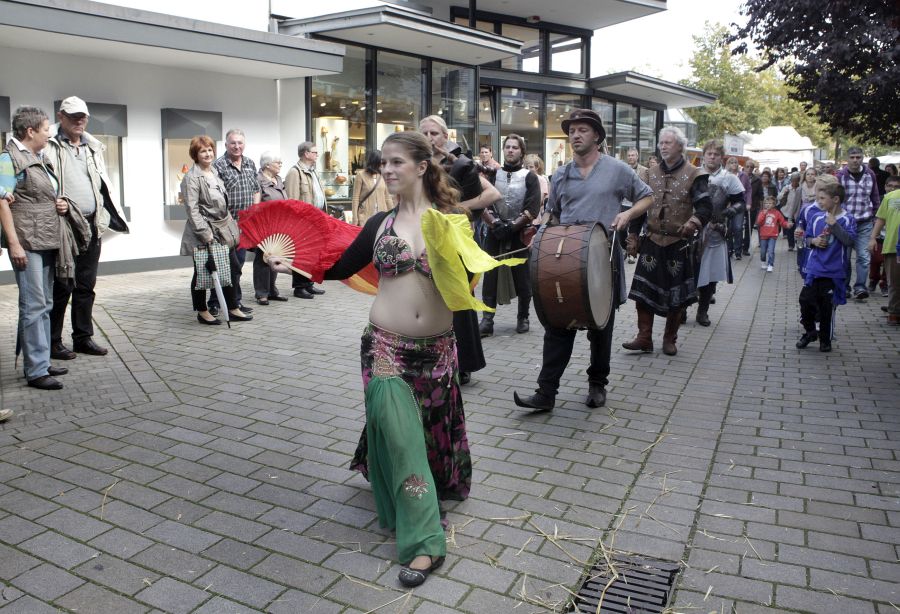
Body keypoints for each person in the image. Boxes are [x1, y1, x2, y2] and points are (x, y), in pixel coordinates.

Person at [315, 131, 472, 587]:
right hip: (384, 348)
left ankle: (421, 488)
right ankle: (425, 541)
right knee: (404, 440)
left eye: (396, 161)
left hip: (438, 350)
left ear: (422, 166)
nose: (386, 169)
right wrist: (298, 267)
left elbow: (468, 280)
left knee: (429, 432)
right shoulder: (379, 225)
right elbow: (341, 267)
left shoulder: (451, 220)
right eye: (383, 162)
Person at [514, 109, 652, 412]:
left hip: (603, 259)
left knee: (601, 328)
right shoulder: (562, 174)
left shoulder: (617, 169)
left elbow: (647, 196)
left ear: (597, 136)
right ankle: (546, 393)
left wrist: (628, 214)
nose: (575, 135)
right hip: (565, 259)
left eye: (582, 130)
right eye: (572, 131)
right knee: (558, 324)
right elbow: (552, 213)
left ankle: (597, 384)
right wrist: (540, 232)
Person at [0, 106, 88, 390]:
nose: (49, 134)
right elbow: (2, 201)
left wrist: (60, 204)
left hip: (47, 238)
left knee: (45, 303)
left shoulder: (39, 157)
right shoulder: (8, 159)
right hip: (27, 241)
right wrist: (14, 244)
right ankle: (36, 370)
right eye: (46, 129)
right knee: (34, 305)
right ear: (30, 131)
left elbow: (42, 194)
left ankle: (41, 360)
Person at [46, 96, 129, 361]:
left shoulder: (92, 146)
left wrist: (102, 213)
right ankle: (52, 342)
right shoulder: (49, 145)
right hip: (65, 226)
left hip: (92, 225)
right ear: (61, 117)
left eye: (83, 117)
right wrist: (53, 202)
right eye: (73, 116)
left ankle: (82, 338)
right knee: (62, 286)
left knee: (85, 286)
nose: (79, 121)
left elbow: (101, 184)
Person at [419, 114, 500, 385]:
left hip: (454, 240)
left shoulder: (459, 163)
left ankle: (463, 363)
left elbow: (492, 194)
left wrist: (457, 209)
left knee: (459, 300)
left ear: (445, 136)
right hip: (424, 239)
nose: (429, 138)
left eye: (434, 133)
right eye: (424, 133)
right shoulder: (415, 163)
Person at [622, 126, 712, 357]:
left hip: (678, 243)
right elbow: (639, 208)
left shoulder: (695, 174)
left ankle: (669, 339)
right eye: (661, 143)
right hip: (651, 240)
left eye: (668, 143)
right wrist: (633, 235)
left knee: (676, 296)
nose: (663, 146)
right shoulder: (649, 174)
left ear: (680, 146)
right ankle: (644, 337)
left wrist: (693, 222)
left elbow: (705, 207)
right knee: (642, 291)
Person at [179, 135, 252, 326]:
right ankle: (202, 311)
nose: (207, 154)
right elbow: (192, 210)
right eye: (203, 151)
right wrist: (206, 234)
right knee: (203, 272)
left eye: (210, 150)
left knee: (232, 267)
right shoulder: (191, 178)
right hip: (204, 232)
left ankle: (232, 307)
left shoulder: (213, 171)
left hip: (223, 230)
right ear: (195, 154)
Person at [478, 133, 541, 336]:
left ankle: (523, 317)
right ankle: (487, 320)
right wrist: (494, 223)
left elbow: (532, 207)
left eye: (515, 147)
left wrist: (512, 227)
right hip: (494, 233)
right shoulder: (492, 175)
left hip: (519, 234)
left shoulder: (530, 177)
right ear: (503, 150)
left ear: (521, 152)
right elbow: (482, 202)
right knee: (490, 277)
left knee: (523, 278)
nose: (511, 150)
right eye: (508, 147)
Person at [795, 179, 857, 352]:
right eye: (818, 198)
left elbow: (849, 241)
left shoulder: (847, 219)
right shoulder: (816, 217)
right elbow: (806, 238)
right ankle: (810, 332)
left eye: (822, 198)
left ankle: (825, 340)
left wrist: (834, 225)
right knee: (805, 301)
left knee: (826, 307)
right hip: (814, 269)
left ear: (835, 199)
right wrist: (813, 241)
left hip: (833, 272)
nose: (819, 202)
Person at [693, 140, 744, 327]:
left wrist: (729, 212)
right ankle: (681, 309)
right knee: (688, 272)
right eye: (709, 153)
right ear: (704, 155)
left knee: (709, 273)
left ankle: (702, 311)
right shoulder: (694, 174)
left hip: (715, 230)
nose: (712, 157)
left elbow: (740, 202)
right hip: (692, 229)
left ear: (721, 157)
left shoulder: (729, 178)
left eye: (716, 154)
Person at [208, 128, 259, 315]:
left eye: (240, 143)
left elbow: (256, 189)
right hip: (225, 226)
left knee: (238, 266)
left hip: (244, 227)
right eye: (233, 143)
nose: (237, 146)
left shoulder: (250, 163)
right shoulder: (218, 166)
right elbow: (215, 198)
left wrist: (255, 210)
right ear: (226, 145)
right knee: (222, 265)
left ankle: (234, 302)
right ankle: (214, 303)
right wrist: (227, 221)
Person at [836, 146, 881, 300]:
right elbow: (836, 199)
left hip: (865, 222)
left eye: (858, 157)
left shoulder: (870, 174)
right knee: (845, 257)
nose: (855, 160)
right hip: (846, 223)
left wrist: (876, 217)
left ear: (862, 158)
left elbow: (875, 197)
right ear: (847, 159)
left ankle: (860, 287)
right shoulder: (840, 176)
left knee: (863, 256)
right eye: (852, 157)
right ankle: (845, 287)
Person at [285, 141, 327, 299]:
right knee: (301, 254)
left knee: (312, 254)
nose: (317, 154)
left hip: (316, 219)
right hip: (303, 222)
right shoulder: (295, 172)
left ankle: (309, 283)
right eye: (314, 152)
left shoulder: (313, 170)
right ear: (306, 154)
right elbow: (292, 200)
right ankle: (299, 287)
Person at [252, 151, 289, 305]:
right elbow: (255, 204)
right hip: (264, 225)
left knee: (275, 257)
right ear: (267, 165)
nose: (280, 164)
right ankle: (262, 293)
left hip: (279, 225)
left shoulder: (278, 179)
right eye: (277, 162)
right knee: (263, 258)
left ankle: (272, 290)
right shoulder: (258, 180)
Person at [868, 175, 900, 324]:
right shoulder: (890, 197)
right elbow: (881, 218)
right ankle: (894, 312)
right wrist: (873, 238)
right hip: (893, 245)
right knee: (894, 281)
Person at [351, 150, 393, 227]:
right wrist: (355, 218)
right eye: (381, 162)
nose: (382, 165)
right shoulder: (361, 175)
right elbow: (355, 198)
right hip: (365, 216)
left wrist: (393, 215)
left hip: (381, 216)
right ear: (375, 162)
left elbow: (388, 198)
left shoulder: (383, 176)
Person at [756, 196, 792, 272]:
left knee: (771, 251)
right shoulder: (762, 212)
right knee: (763, 251)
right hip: (763, 235)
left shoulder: (777, 213)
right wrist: (764, 214)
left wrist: (787, 225)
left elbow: (782, 222)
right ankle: (763, 261)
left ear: (774, 204)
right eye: (766, 203)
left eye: (770, 203)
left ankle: (770, 264)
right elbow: (758, 222)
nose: (767, 205)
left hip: (773, 235)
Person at [725, 157, 747, 260]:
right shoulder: (724, 175)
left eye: (735, 162)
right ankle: (729, 250)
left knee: (738, 228)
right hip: (727, 205)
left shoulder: (742, 175)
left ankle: (738, 251)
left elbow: (747, 190)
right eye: (731, 162)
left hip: (739, 205)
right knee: (728, 229)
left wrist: (749, 202)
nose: (734, 164)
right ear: (728, 164)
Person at [778, 172, 803, 251]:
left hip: (797, 212)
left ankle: (797, 243)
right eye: (793, 180)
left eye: (796, 180)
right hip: (787, 211)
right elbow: (779, 197)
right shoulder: (787, 187)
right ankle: (791, 245)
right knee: (789, 229)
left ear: (799, 180)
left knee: (797, 228)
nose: (794, 182)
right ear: (791, 180)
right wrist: (784, 193)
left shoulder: (801, 188)